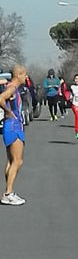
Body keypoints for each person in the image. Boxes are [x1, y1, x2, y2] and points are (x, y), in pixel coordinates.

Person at [0, 65, 28, 205]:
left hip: (11, 126)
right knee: (18, 161)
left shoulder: (12, 87)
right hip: (13, 126)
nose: (26, 77)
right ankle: (8, 193)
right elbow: (1, 99)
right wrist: (7, 110)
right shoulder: (11, 88)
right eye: (24, 75)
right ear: (18, 75)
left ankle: (9, 192)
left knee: (12, 161)